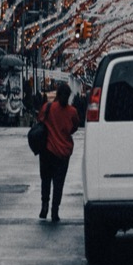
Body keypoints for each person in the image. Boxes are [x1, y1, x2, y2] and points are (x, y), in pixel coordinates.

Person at [36, 82, 80, 223]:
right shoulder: (72, 112)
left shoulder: (47, 108)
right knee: (58, 184)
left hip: (47, 151)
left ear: (57, 94)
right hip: (63, 153)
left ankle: (44, 205)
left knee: (46, 180)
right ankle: (55, 210)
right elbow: (75, 127)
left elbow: (40, 121)